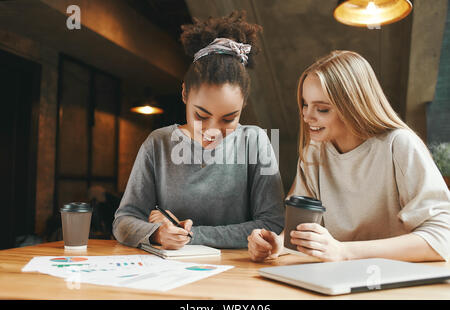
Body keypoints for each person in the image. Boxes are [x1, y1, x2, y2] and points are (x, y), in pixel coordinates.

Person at [248, 50, 450, 262]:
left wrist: (343, 252)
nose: (307, 116)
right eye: (305, 104)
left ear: (353, 106)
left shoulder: (398, 145)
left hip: (395, 283)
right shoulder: (314, 153)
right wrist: (278, 243)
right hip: (337, 278)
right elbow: (300, 230)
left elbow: (443, 237)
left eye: (322, 109)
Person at [113, 11, 285, 250]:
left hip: (238, 275)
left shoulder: (256, 141)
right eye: (201, 116)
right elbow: (123, 220)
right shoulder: (158, 143)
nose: (213, 131)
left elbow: (272, 224)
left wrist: (191, 235)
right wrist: (157, 234)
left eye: (229, 118)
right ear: (184, 94)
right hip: (171, 274)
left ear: (243, 104)